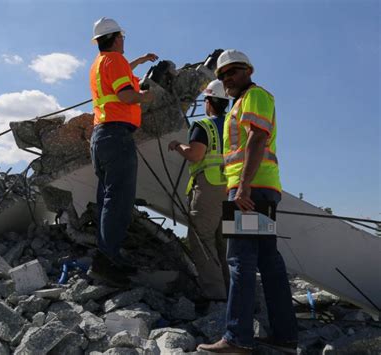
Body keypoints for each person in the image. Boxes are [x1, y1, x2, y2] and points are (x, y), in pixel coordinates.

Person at [197, 50, 298, 353]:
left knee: (240, 260)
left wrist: (242, 188)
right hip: (259, 189)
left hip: (249, 190)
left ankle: (237, 338)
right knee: (268, 262)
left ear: (248, 71)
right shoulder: (242, 102)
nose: (227, 78)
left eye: (233, 72)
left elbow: (257, 139)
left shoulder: (255, 96)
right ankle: (284, 336)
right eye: (223, 75)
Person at [88, 17, 158, 282]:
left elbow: (119, 72)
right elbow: (126, 95)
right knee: (119, 201)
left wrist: (139, 61)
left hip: (101, 137)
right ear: (117, 38)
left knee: (108, 199)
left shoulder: (100, 63)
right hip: (117, 136)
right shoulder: (115, 61)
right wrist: (146, 96)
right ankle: (108, 260)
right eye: (122, 37)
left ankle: (105, 256)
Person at [168, 79, 230, 301]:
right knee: (224, 243)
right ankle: (231, 293)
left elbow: (195, 155)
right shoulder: (235, 127)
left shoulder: (204, 126)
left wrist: (177, 145)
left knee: (202, 240)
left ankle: (216, 296)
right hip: (233, 190)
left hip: (211, 187)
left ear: (209, 101)